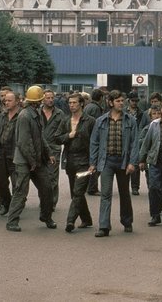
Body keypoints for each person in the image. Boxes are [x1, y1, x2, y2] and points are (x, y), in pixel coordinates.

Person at [89, 90, 139, 237]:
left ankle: (127, 221)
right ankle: (104, 226)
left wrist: (132, 162)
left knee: (124, 193)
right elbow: (94, 142)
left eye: (122, 101)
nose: (121, 103)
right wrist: (93, 163)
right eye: (118, 101)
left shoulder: (130, 120)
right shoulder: (101, 121)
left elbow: (134, 144)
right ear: (110, 102)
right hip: (106, 162)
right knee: (105, 194)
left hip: (123, 162)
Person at [7, 85, 57, 232]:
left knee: (47, 188)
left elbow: (40, 137)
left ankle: (46, 217)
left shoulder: (35, 113)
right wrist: (32, 162)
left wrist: (48, 153)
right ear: (37, 101)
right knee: (21, 191)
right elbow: (23, 142)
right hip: (25, 161)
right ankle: (12, 221)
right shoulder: (25, 116)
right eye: (41, 99)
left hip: (36, 160)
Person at [55, 93, 96, 232]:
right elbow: (57, 138)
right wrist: (68, 135)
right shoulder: (66, 121)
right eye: (70, 103)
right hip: (70, 161)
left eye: (74, 103)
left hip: (84, 162)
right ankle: (86, 219)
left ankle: (70, 221)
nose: (71, 105)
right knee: (75, 193)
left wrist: (93, 162)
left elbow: (95, 142)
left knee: (78, 192)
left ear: (81, 104)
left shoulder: (90, 121)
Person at [0, 91, 21, 216]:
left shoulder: (21, 116)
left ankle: (15, 210)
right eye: (5, 100)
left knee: (16, 184)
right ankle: (7, 203)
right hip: (0, 153)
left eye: (9, 100)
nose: (6, 102)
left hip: (14, 154)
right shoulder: (2, 115)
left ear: (17, 101)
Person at [41, 89, 65, 211]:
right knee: (41, 177)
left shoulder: (59, 114)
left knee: (52, 177)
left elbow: (63, 131)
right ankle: (44, 200)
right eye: (47, 98)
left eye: (52, 98)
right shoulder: (37, 112)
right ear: (42, 99)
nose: (50, 100)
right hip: (39, 149)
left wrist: (58, 140)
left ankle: (52, 202)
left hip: (54, 149)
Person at [83, 88, 104, 196]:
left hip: (86, 138)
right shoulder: (96, 109)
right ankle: (92, 187)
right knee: (96, 163)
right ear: (101, 98)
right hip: (94, 139)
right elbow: (98, 125)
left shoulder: (87, 106)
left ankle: (88, 185)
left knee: (90, 162)